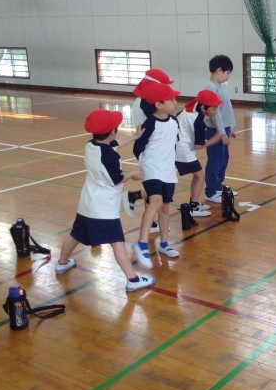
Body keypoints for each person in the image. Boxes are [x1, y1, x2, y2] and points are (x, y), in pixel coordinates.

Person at [55, 109, 155, 292]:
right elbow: (116, 179)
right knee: (117, 242)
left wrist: (134, 137)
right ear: (112, 132)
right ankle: (133, 279)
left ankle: (62, 263)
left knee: (75, 235)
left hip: (87, 204)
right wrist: (132, 174)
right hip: (103, 208)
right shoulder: (108, 156)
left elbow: (114, 144)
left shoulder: (92, 145)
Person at [131, 82, 181, 268]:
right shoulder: (149, 123)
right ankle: (142, 243)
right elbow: (138, 146)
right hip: (151, 166)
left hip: (168, 169)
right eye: (171, 100)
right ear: (159, 104)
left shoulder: (174, 121)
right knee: (156, 201)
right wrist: (145, 163)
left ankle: (164, 244)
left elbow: (172, 144)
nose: (175, 102)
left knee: (165, 207)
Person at [124, 68, 175, 235]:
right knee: (154, 190)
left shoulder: (143, 100)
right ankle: (150, 222)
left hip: (157, 151)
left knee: (156, 187)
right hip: (150, 152)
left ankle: (135, 197)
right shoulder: (146, 104)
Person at [176, 89, 224, 217]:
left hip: (180, 147)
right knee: (200, 176)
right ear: (203, 108)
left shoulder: (191, 110)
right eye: (213, 109)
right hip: (182, 151)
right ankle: (193, 207)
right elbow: (198, 146)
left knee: (198, 175)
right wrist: (215, 139)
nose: (216, 111)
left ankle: (194, 203)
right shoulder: (197, 120)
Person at [204, 54, 238, 203]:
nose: (228, 76)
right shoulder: (211, 87)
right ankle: (210, 191)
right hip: (215, 130)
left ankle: (218, 186)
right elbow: (215, 114)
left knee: (223, 159)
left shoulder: (220, 86)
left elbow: (226, 109)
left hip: (224, 128)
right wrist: (222, 132)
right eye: (227, 73)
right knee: (215, 160)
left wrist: (231, 127)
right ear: (219, 70)